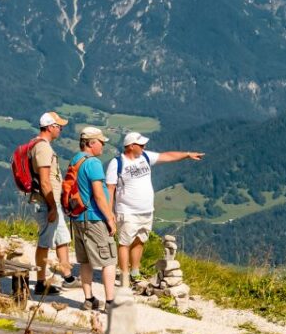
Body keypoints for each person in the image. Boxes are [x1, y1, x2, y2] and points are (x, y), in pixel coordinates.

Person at [106, 132, 204, 286]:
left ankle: (135, 272)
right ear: (131, 146)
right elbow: (110, 188)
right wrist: (109, 212)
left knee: (140, 240)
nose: (144, 147)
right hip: (127, 210)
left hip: (146, 210)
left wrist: (187, 155)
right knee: (125, 243)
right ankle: (124, 275)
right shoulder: (117, 163)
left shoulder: (145, 157)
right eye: (141, 145)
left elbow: (167, 156)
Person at [68, 126, 118, 310]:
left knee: (85, 261)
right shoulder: (93, 163)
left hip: (78, 218)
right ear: (90, 143)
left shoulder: (76, 160)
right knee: (109, 260)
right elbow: (98, 195)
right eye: (101, 142)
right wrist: (110, 219)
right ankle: (111, 302)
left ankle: (89, 300)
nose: (103, 147)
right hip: (94, 218)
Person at [30, 111, 78, 295]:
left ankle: (68, 277)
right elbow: (44, 181)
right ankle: (41, 284)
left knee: (62, 238)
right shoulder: (43, 148)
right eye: (59, 126)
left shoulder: (39, 145)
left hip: (51, 202)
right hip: (46, 203)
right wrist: (51, 207)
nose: (61, 129)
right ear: (50, 127)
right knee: (45, 242)